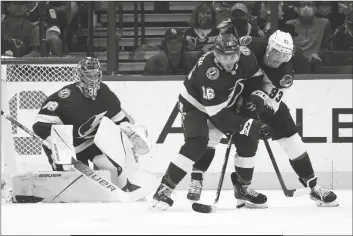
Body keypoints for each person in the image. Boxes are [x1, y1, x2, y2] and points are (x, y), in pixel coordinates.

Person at [186, 30, 339, 208]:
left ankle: (312, 186)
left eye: (284, 55)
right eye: (275, 52)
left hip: (261, 102)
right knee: (213, 133)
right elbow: (225, 57)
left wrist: (257, 103)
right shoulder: (250, 44)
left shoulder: (285, 74)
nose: (278, 58)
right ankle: (198, 179)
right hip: (229, 96)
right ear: (268, 47)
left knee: (291, 138)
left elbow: (271, 100)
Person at [151, 34, 273, 210]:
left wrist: (253, 96)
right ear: (216, 55)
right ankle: (164, 189)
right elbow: (219, 117)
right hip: (195, 105)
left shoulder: (246, 55)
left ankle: (243, 188)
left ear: (239, 52)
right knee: (197, 143)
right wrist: (248, 125)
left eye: (232, 56)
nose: (229, 61)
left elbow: (255, 77)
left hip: (227, 100)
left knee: (248, 140)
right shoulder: (209, 74)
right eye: (224, 57)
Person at [32, 57, 152, 193]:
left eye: (95, 75)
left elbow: (120, 120)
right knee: (74, 184)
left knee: (115, 170)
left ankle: (125, 186)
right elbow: (40, 126)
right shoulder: (66, 96)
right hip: (69, 146)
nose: (93, 79)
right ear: (80, 76)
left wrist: (130, 133)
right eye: (88, 75)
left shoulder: (105, 93)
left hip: (91, 142)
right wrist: (57, 145)